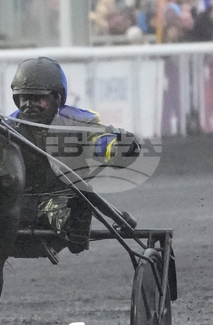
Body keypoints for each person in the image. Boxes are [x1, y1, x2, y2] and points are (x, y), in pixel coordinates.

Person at [10, 57, 141, 253]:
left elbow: (99, 141)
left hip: (60, 199)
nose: (29, 104)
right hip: (15, 202)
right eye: (24, 98)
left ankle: (77, 221)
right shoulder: (6, 126)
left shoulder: (78, 123)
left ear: (58, 98)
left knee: (60, 212)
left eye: (39, 99)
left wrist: (116, 148)